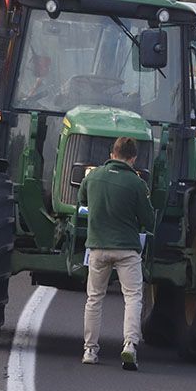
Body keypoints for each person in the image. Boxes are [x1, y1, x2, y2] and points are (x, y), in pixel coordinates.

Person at [79, 136, 155, 370]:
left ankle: (90, 350)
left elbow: (82, 201)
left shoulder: (92, 177)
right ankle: (130, 346)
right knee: (133, 297)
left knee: (94, 298)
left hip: (98, 248)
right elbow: (148, 220)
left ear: (112, 153)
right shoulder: (137, 184)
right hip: (126, 250)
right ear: (133, 158)